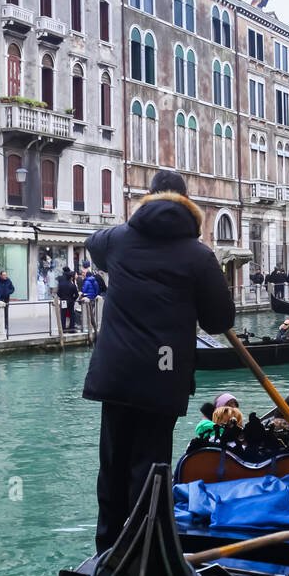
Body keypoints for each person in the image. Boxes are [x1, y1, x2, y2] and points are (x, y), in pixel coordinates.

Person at [82, 168, 235, 555]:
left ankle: (108, 551)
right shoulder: (199, 256)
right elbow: (220, 321)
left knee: (112, 466)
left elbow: (91, 243)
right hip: (162, 379)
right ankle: (144, 551)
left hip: (115, 376)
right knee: (150, 470)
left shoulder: (118, 240)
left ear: (147, 200)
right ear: (188, 206)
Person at [57, 268, 78, 332]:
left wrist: (62, 297)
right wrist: (73, 299)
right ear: (71, 278)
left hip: (63, 301)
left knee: (63, 315)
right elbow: (76, 295)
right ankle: (72, 329)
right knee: (72, 315)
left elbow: (58, 293)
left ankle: (63, 329)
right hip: (70, 301)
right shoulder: (73, 285)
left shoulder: (61, 284)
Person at [81, 268, 100, 336]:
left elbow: (84, 290)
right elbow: (97, 290)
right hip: (93, 298)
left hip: (88, 298)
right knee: (92, 312)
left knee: (87, 313)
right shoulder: (95, 281)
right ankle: (93, 325)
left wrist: (83, 294)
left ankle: (87, 326)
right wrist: (94, 295)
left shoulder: (86, 281)